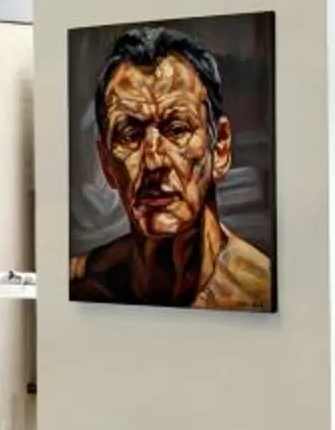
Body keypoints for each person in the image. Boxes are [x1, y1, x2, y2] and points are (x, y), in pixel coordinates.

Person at [69, 25, 273, 312]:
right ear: (106, 163)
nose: (154, 161)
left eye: (177, 129)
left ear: (220, 147)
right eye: (130, 134)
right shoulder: (79, 284)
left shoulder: (262, 291)